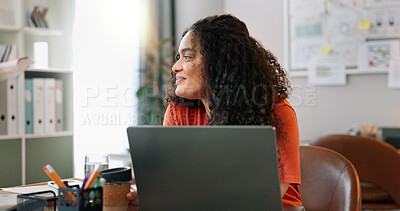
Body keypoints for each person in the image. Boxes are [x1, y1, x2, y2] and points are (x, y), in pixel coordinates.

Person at [126, 14, 301, 210]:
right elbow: (171, 182)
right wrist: (151, 196)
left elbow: (270, 195)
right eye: (178, 57)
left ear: (219, 63)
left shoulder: (276, 111)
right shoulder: (178, 111)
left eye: (188, 57)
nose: (175, 67)